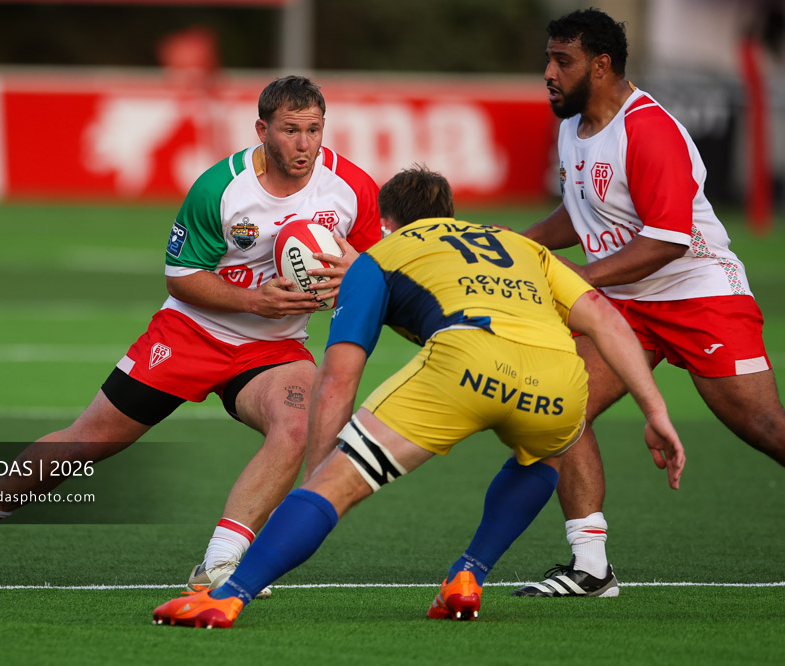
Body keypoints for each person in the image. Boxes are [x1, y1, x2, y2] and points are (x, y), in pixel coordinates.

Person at [150, 165, 685, 628]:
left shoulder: (379, 256)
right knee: (544, 453)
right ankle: (469, 575)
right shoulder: (520, 244)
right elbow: (606, 320)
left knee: (336, 485)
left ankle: (227, 596)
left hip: (464, 366)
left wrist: (319, 475)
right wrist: (655, 410)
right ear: (451, 214)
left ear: (385, 223)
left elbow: (339, 376)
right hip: (559, 378)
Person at [0, 75, 382, 594]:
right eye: (290, 131)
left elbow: (371, 270)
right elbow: (180, 275)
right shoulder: (220, 189)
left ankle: (220, 563)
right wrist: (254, 299)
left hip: (275, 347)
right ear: (261, 130)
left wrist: (346, 283)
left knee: (296, 424)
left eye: (314, 130)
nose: (304, 144)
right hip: (191, 332)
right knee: (89, 442)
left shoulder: (351, 187)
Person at [513, 8, 785, 599]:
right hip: (627, 306)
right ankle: (591, 568)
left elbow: (667, 237)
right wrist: (517, 243)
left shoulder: (648, 128)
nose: (549, 73)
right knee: (560, 406)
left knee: (767, 427)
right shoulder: (572, 127)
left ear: (601, 65)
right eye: (549, 59)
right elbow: (581, 211)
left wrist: (581, 280)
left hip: (698, 294)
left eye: (563, 60)